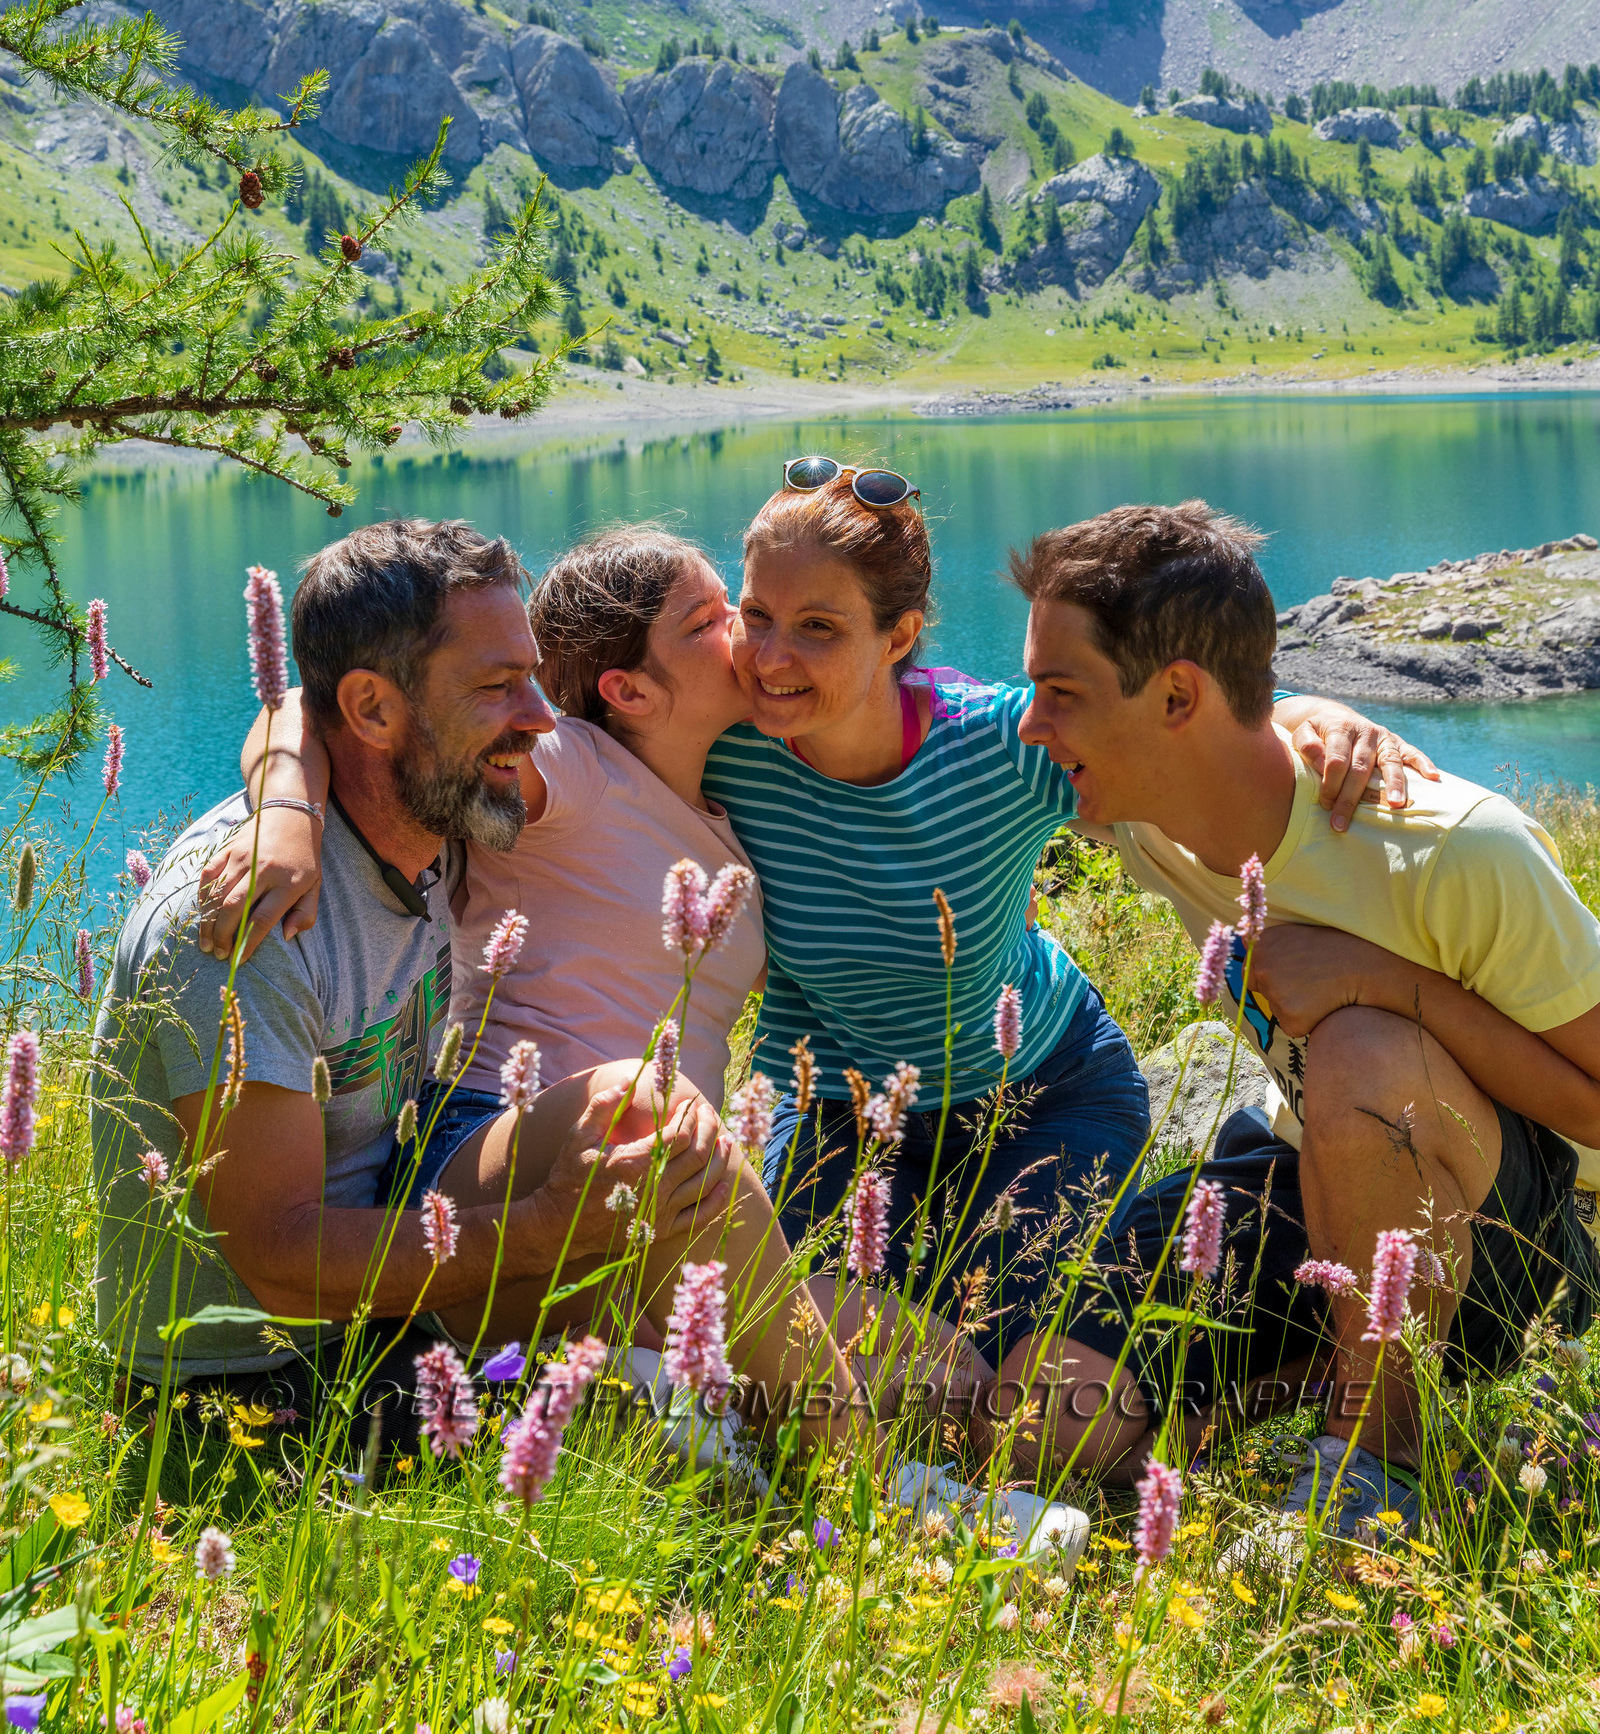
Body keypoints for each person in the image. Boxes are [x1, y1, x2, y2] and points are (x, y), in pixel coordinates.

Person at [90, 517, 839, 1466]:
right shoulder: (243, 923)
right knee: (647, 1133)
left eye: (532, 676)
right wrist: (534, 1233)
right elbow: (278, 1261)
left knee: (830, 1359)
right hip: (241, 1391)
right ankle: (869, 1510)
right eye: (496, 687)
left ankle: (818, 1464)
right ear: (372, 712)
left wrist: (287, 795)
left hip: (396, 1316)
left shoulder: (433, 812)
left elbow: (294, 710)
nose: (539, 715)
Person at [697, 458, 1424, 1423]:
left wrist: (1310, 716)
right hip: (840, 1109)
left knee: (1007, 1377)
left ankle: (1260, 1400)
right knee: (787, 1347)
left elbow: (1177, 730)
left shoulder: (998, 746)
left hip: (1047, 1095)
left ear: (899, 635)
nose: (772, 656)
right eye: (755, 616)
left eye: (819, 627)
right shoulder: (725, 748)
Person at [1005, 500, 1600, 1547]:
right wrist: (1301, 703)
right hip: (1301, 1170)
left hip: (1523, 1230)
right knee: (1041, 1413)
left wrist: (1389, 982)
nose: (1029, 724)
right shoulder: (1134, 803)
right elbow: (877, 711)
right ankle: (1300, 1380)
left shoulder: (1461, 850)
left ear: (1177, 693)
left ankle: (1377, 1461)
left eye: (1059, 693)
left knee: (1363, 1045)